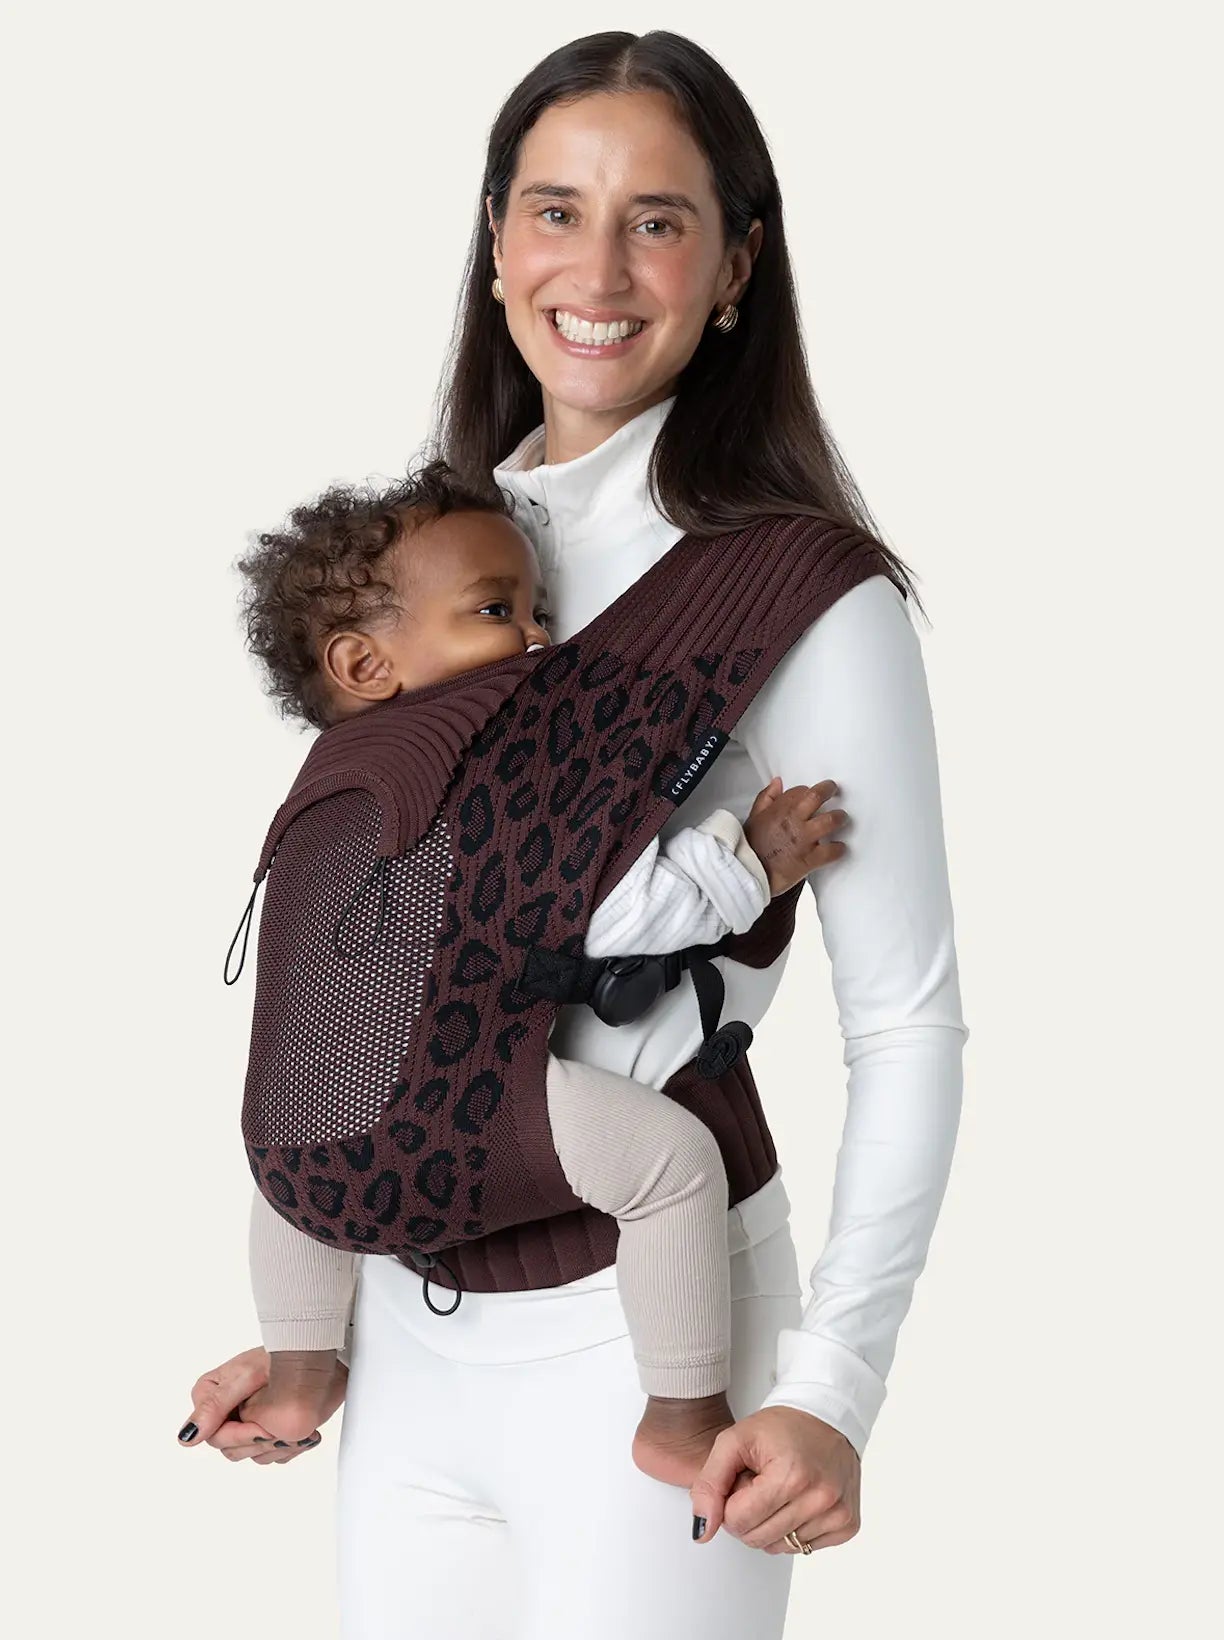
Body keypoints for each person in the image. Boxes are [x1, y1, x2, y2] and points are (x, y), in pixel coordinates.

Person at [179, 30, 966, 1640]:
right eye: (556, 210)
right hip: (408, 1336)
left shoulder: (800, 591)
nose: (598, 271)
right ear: (495, 240)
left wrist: (832, 1385)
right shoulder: (423, 565)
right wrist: (312, 1321)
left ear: (736, 267)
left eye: (658, 221)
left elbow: (906, 1023)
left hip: (655, 1338)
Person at [234, 460, 850, 1485]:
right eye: (496, 610)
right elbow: (616, 916)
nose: (537, 639)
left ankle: (298, 1374)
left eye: (538, 612)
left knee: (298, 1167)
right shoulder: (501, 756)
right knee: (672, 1169)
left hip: (298, 1152)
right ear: (363, 661)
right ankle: (683, 1416)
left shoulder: (328, 783)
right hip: (463, 1116)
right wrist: (752, 863)